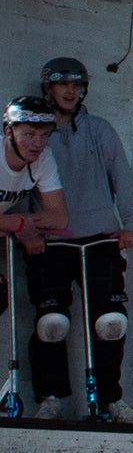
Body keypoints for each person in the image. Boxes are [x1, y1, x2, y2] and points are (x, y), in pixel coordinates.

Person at [27, 58, 133, 423]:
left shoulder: (99, 130)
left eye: (77, 86)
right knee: (51, 323)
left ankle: (110, 398)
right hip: (50, 241)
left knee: (111, 322)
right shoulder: (33, 134)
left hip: (100, 239)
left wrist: (132, 225)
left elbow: (122, 178)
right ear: (48, 89)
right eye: (63, 85)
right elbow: (16, 182)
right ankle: (50, 397)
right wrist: (25, 230)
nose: (71, 92)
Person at [2, 94, 70, 419]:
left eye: (44, 135)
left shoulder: (42, 159)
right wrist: (19, 224)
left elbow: (59, 218)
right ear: (8, 132)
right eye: (29, 134)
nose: (37, 143)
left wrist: (15, 224)